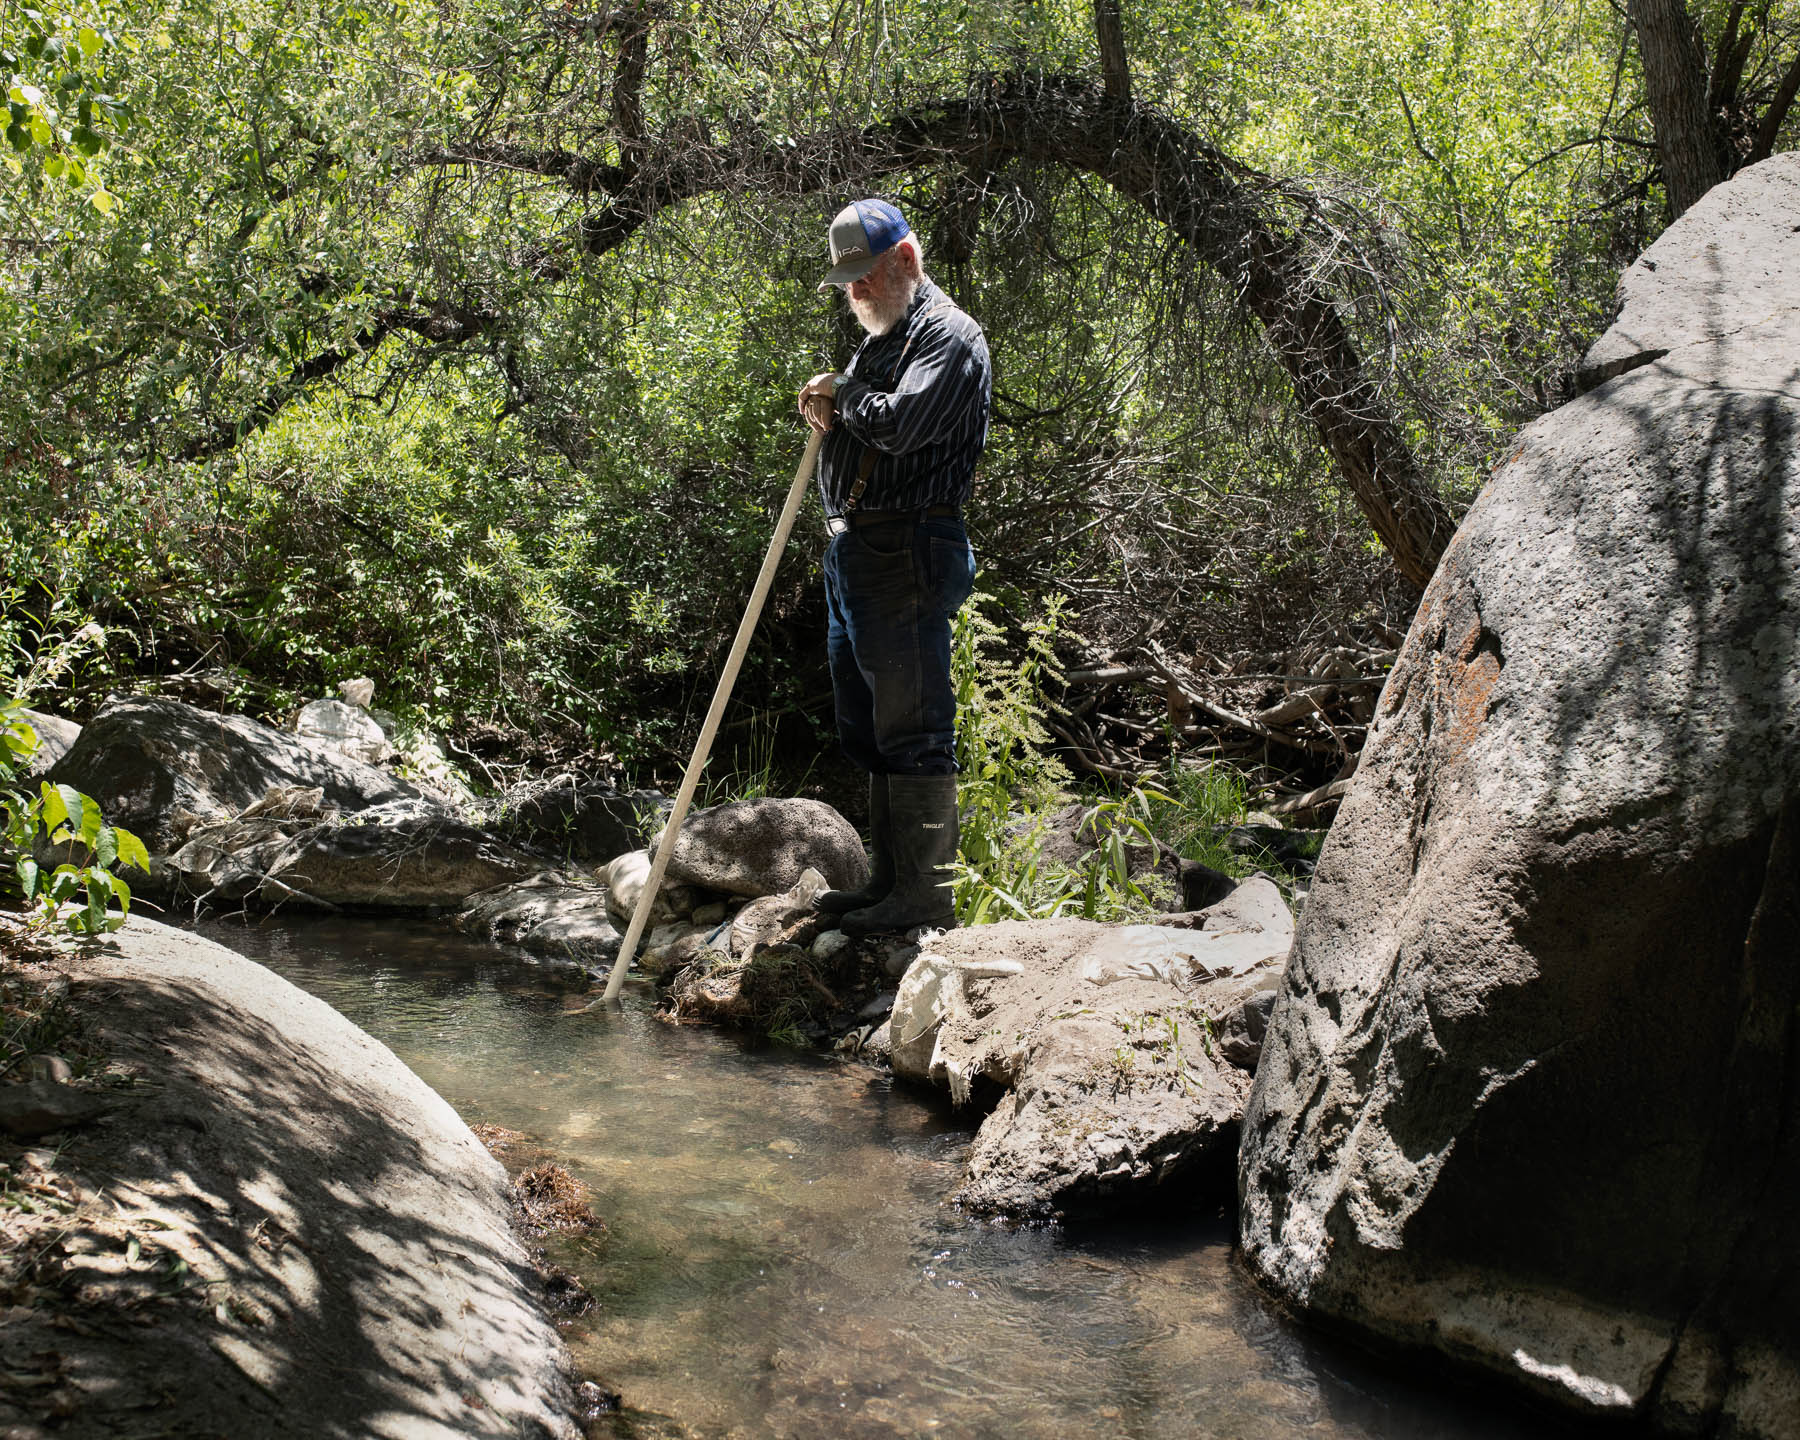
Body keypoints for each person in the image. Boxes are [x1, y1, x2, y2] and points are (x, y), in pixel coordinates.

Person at [795, 199, 992, 936]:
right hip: (858, 550)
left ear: (906, 260)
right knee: (869, 726)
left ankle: (923, 902)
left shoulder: (949, 335)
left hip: (908, 545)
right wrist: (832, 395)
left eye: (866, 277)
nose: (856, 294)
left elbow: (902, 423)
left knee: (912, 727)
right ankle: (887, 887)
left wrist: (841, 394)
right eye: (847, 283)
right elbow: (862, 409)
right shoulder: (886, 335)